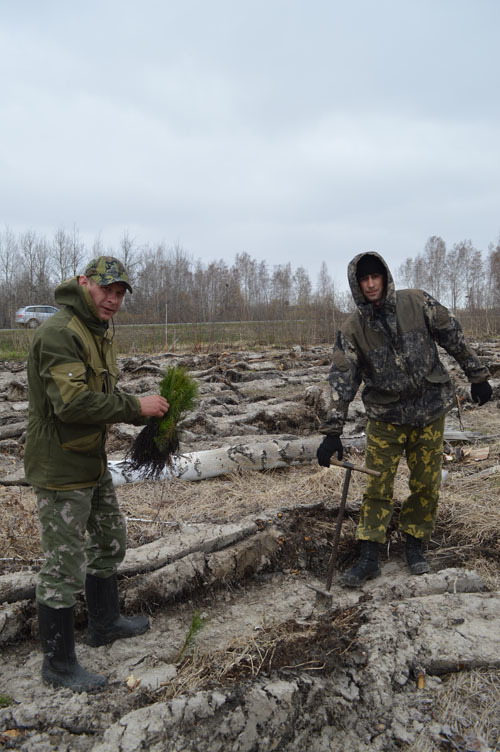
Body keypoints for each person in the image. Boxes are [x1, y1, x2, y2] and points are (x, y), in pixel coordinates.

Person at [24, 256, 170, 692]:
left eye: (121, 293)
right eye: (107, 289)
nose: (113, 299)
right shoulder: (59, 333)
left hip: (90, 460)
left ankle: (104, 624)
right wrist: (133, 407)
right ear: (84, 283)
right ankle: (59, 664)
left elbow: (101, 392)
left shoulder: (98, 330)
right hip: (60, 467)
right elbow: (71, 404)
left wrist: (143, 410)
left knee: (110, 539)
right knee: (63, 565)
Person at [317, 252, 492, 587]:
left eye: (375, 277)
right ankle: (369, 554)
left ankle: (415, 545)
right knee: (377, 485)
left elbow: (452, 334)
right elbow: (342, 379)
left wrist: (477, 374)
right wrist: (332, 432)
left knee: (425, 483)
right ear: (357, 283)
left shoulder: (416, 302)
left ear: (384, 277)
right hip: (386, 418)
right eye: (364, 279)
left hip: (430, 411)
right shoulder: (353, 329)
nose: (370, 284)